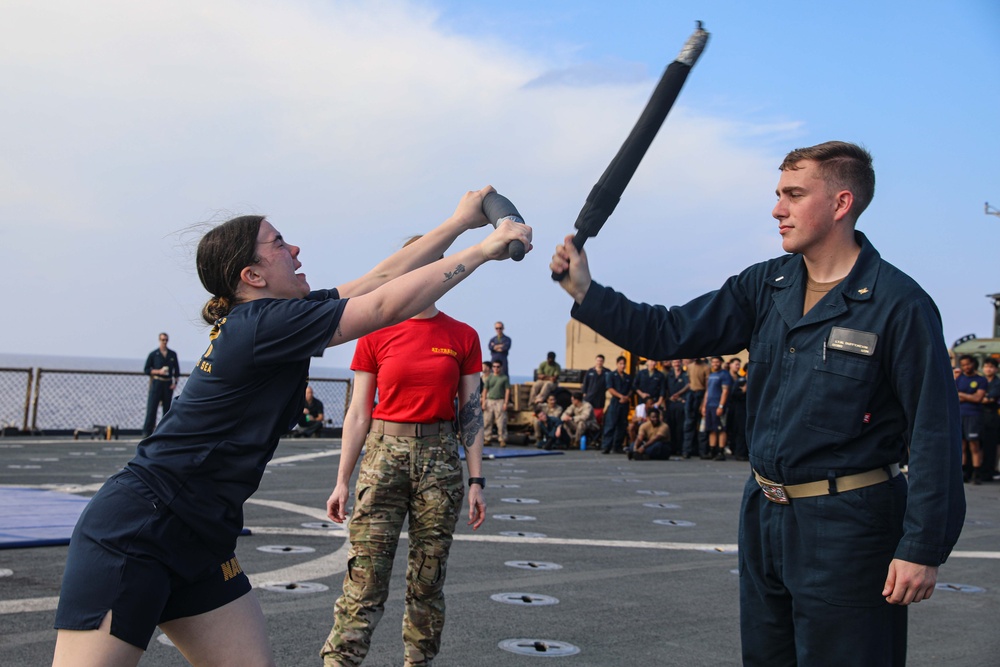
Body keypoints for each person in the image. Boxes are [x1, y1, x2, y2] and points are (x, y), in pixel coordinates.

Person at [52, 187, 531, 667]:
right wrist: (483, 250)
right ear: (252, 275)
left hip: (201, 538)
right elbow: (385, 308)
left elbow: (382, 278)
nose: (295, 250)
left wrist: (457, 222)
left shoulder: (280, 317)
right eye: (279, 243)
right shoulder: (261, 324)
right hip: (140, 531)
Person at [550, 141, 965, 665]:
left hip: (848, 526)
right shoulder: (768, 285)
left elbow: (934, 433)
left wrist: (921, 548)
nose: (777, 209)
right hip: (765, 513)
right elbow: (670, 331)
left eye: (794, 194)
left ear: (840, 204)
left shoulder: (898, 304)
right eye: (777, 194)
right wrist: (587, 292)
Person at [321, 245, 487, 666]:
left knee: (428, 581)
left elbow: (470, 413)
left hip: (440, 459)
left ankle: (419, 661)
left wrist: (477, 481)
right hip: (383, 456)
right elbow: (358, 411)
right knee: (364, 579)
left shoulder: (462, 336)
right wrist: (342, 479)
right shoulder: (375, 333)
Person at [955, 354, 987, 484]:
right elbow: (954, 396)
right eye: (963, 365)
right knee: (961, 445)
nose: (966, 367)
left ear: (973, 364)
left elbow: (978, 398)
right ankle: (963, 472)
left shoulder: (981, 380)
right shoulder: (959, 379)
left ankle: (976, 473)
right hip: (960, 415)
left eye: (968, 364)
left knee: (974, 445)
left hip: (974, 415)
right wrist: (970, 396)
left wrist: (961, 394)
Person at [142, 332, 180, 437]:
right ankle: (147, 431)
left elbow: (176, 371)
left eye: (166, 340)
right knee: (152, 408)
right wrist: (158, 372)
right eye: (163, 340)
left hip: (167, 384)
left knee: (167, 409)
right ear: (159, 340)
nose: (164, 342)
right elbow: (146, 369)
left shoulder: (172, 354)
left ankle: (165, 431)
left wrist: (174, 383)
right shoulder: (154, 354)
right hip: (157, 382)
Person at [701, 356, 732, 461]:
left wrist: (721, 406)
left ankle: (720, 451)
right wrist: (704, 405)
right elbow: (707, 391)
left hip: (718, 406)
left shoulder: (725, 375)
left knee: (721, 429)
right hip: (709, 405)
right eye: (713, 362)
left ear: (721, 363)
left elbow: (725, 391)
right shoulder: (711, 375)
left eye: (717, 362)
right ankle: (712, 450)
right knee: (711, 429)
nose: (715, 364)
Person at [601, 355, 632, 454]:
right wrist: (620, 396)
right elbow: (610, 388)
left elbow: (631, 389)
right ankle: (606, 446)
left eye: (624, 364)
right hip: (615, 402)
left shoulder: (627, 377)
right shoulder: (611, 375)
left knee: (622, 425)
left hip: (625, 404)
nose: (622, 366)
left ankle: (617, 446)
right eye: (621, 364)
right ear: (617, 364)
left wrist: (627, 397)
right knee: (611, 424)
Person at [682, 358, 709, 458]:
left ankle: (702, 451)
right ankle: (686, 450)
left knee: (702, 426)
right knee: (688, 424)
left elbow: (707, 387)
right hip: (691, 395)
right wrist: (679, 393)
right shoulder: (689, 367)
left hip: (701, 394)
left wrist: (704, 403)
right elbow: (689, 384)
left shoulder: (706, 368)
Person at [662, 359, 688, 456]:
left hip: (681, 404)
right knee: (671, 426)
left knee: (680, 427)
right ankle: (671, 448)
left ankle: (680, 448)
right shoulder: (669, 376)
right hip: (671, 404)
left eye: (678, 362)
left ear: (681, 363)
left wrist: (682, 398)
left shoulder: (686, 375)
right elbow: (665, 389)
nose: (676, 364)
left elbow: (688, 387)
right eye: (674, 362)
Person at [481, 361, 510, 447]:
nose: (496, 368)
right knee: (487, 420)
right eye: (494, 367)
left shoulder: (504, 378)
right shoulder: (489, 377)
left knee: (501, 422)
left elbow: (507, 391)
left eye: (498, 367)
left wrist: (506, 403)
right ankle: (487, 438)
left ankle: (502, 439)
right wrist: (483, 402)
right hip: (490, 400)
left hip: (500, 400)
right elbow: (485, 390)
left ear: (501, 368)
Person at [726, 358, 749, 461]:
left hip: (748, 410)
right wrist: (744, 391)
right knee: (740, 431)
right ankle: (739, 453)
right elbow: (734, 395)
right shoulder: (741, 381)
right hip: (739, 410)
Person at [981, 358, 1000, 482]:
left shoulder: (997, 383)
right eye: (986, 366)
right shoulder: (980, 380)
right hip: (979, 416)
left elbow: (990, 399)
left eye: (991, 367)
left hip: (992, 417)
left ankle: (989, 471)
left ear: (996, 369)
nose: (989, 369)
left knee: (990, 446)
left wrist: (976, 397)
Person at [581, 354, 609, 424]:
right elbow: (585, 384)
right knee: (588, 414)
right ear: (595, 361)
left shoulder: (607, 372)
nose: (599, 362)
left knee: (598, 416)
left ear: (603, 362)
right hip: (590, 397)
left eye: (601, 361)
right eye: (598, 360)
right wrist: (584, 394)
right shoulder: (590, 371)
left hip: (600, 398)